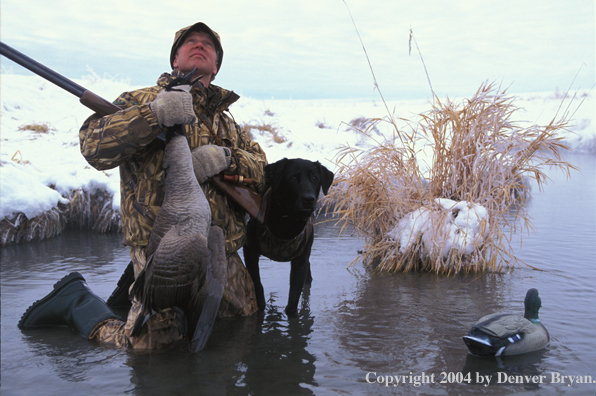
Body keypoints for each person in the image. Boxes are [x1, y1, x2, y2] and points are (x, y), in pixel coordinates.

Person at [18, 22, 268, 349]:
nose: (199, 45)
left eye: (208, 44)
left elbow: (263, 170)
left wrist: (225, 157)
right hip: (163, 245)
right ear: (174, 60)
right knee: (153, 347)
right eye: (190, 41)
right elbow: (93, 146)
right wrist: (153, 115)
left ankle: (129, 295)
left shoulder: (226, 122)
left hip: (219, 245)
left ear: (216, 66)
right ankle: (77, 304)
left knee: (244, 323)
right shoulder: (140, 100)